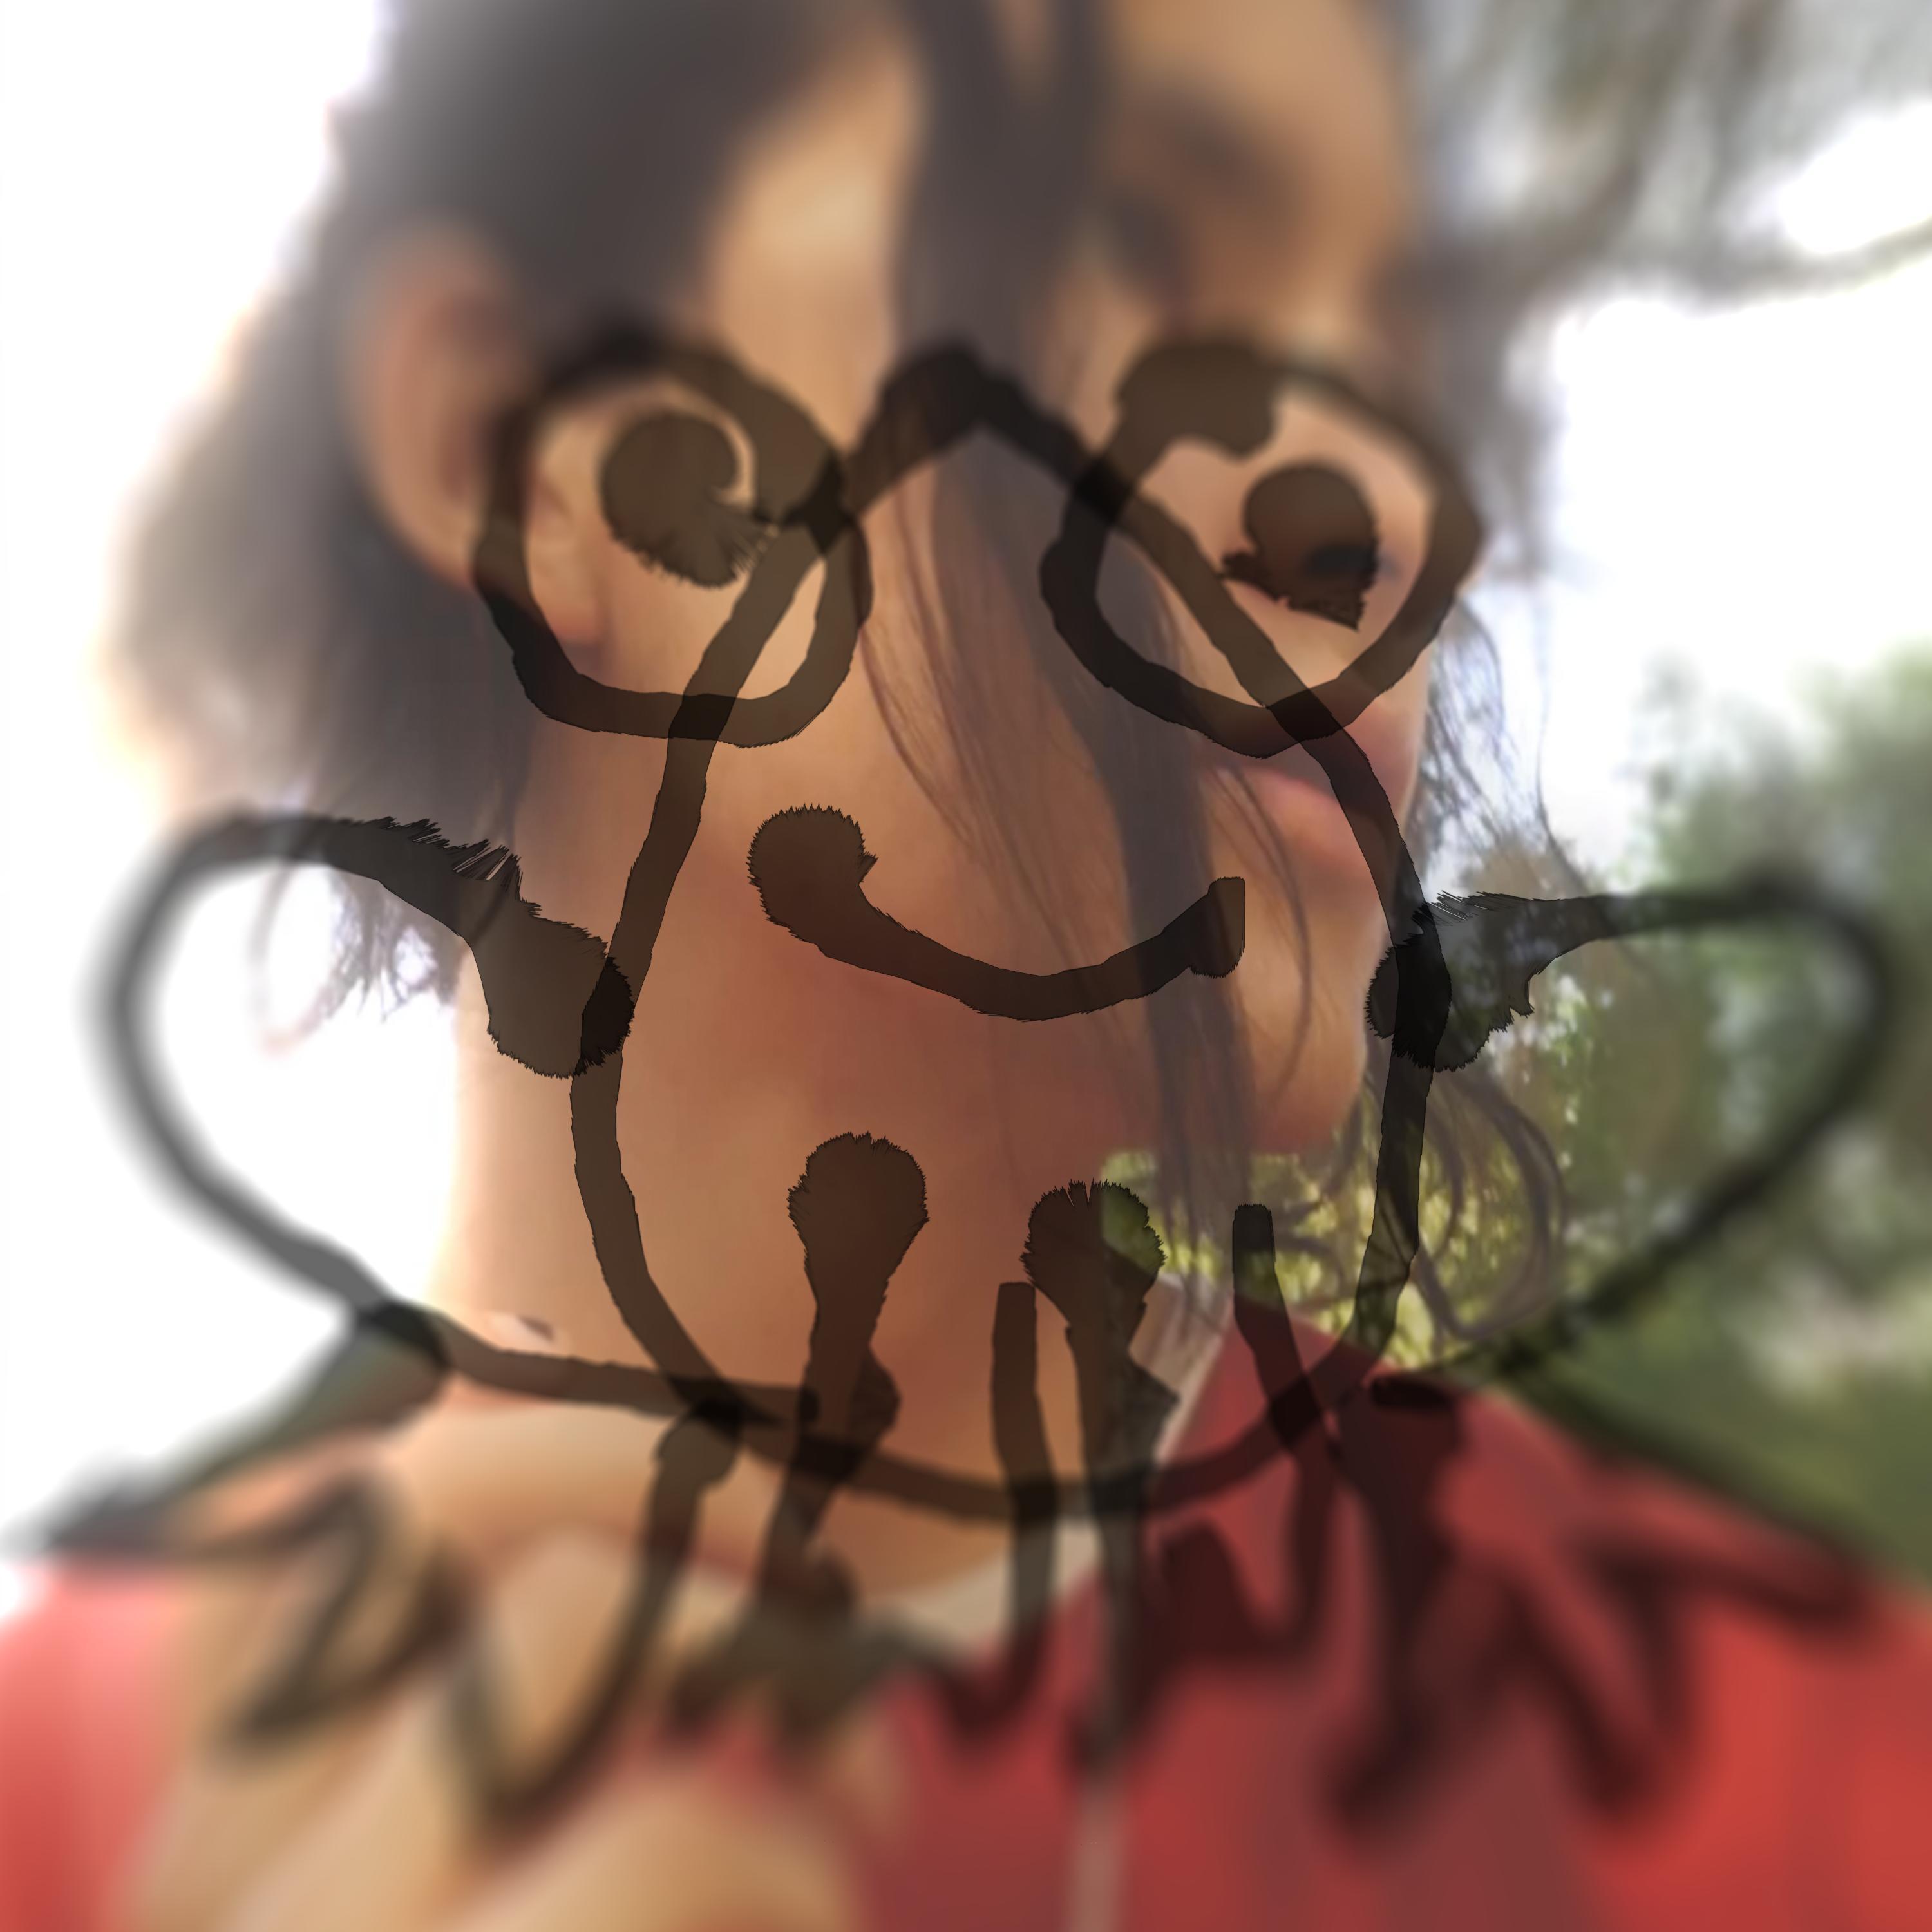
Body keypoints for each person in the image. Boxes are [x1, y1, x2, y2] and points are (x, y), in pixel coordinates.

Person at [5, 1, 1931, 1927]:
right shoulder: (55, 1806)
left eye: (1411, 376)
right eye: (1133, 229)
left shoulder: (1773, 1781)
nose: (1397, 518)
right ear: (524, 450)